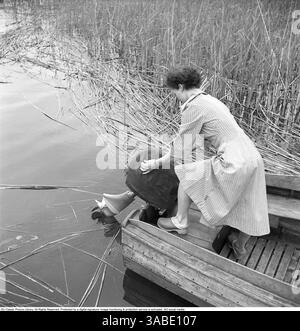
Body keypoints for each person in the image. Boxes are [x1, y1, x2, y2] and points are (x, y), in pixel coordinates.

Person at [140, 67, 270, 258]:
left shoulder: (193, 107)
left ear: (181, 87)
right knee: (251, 203)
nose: (175, 97)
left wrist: (154, 163)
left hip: (234, 160)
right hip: (252, 157)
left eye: (174, 92)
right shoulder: (210, 101)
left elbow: (180, 148)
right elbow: (195, 142)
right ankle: (240, 245)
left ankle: (180, 221)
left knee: (187, 173)